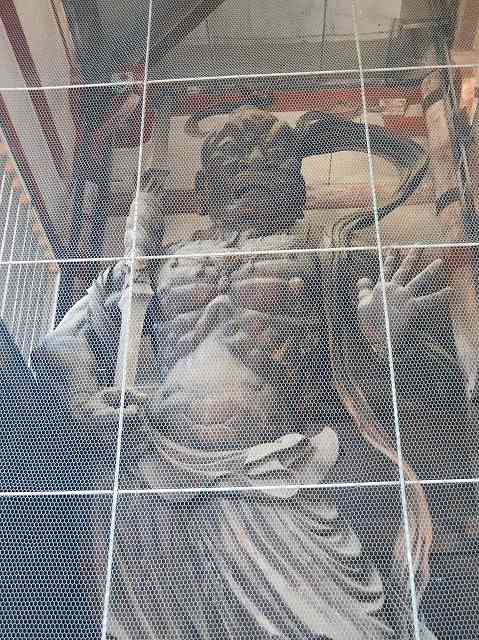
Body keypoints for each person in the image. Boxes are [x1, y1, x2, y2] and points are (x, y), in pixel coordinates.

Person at [35, 106, 461, 639]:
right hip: (157, 470)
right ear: (208, 183)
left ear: (287, 181)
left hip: (275, 473)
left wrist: (381, 335)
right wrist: (83, 396)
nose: (243, 169)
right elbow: (63, 343)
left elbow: (432, 379)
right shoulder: (154, 263)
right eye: (230, 159)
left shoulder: (321, 254)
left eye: (260, 157)